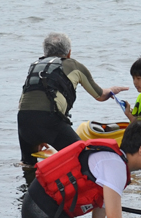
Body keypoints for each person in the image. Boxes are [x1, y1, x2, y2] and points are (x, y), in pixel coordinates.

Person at [17, 33, 128, 166]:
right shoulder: (74, 65)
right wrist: (112, 90)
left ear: (45, 52)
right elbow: (100, 95)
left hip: (24, 121)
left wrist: (39, 134)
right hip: (50, 121)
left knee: (28, 165)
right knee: (83, 158)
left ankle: (28, 184)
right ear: (69, 53)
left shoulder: (35, 65)